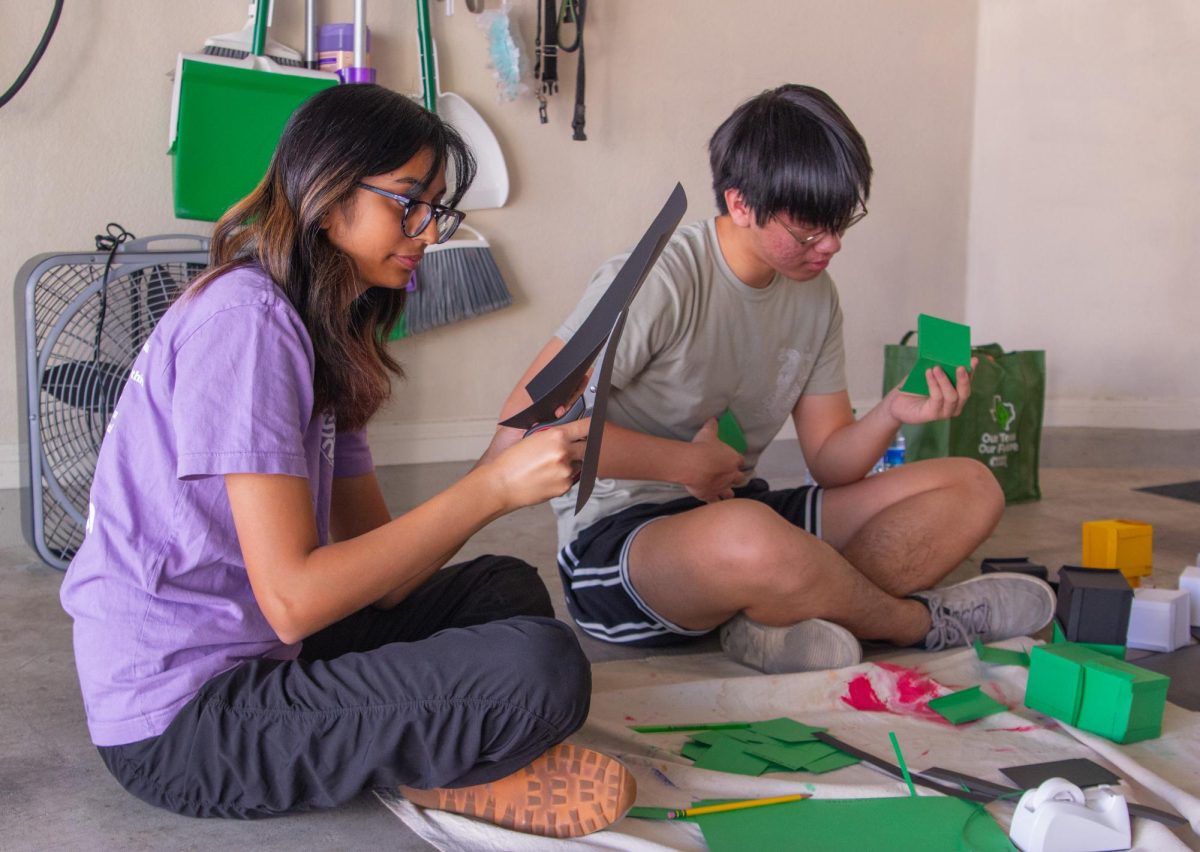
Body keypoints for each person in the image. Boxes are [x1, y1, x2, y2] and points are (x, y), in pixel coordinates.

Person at [58, 84, 635, 838]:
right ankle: (446, 773)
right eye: (407, 203)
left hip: (264, 652)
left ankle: (435, 759)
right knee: (542, 670)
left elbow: (387, 583)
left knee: (504, 588)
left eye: (436, 210)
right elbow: (294, 598)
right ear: (328, 197)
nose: (428, 232)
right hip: (181, 723)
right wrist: (492, 493)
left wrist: (500, 453)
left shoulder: (319, 332)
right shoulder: (248, 321)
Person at [486, 84, 1054, 673]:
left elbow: (831, 463)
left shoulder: (816, 294)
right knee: (750, 535)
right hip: (622, 541)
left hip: (739, 510)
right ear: (739, 203)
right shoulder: (657, 277)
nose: (830, 245)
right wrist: (682, 465)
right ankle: (918, 622)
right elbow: (529, 426)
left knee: (970, 487)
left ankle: (771, 619)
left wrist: (890, 412)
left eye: (840, 222)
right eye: (809, 228)